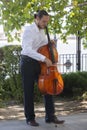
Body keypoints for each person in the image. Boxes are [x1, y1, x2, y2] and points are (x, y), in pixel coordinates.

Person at [20, 10, 65, 127]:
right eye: (44, 21)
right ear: (37, 19)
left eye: (47, 21)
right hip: (28, 63)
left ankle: (50, 116)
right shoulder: (29, 30)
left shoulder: (42, 31)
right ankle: (30, 118)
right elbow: (27, 49)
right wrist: (44, 59)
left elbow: (42, 44)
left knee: (47, 89)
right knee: (28, 91)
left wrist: (50, 42)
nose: (46, 24)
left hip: (39, 63)